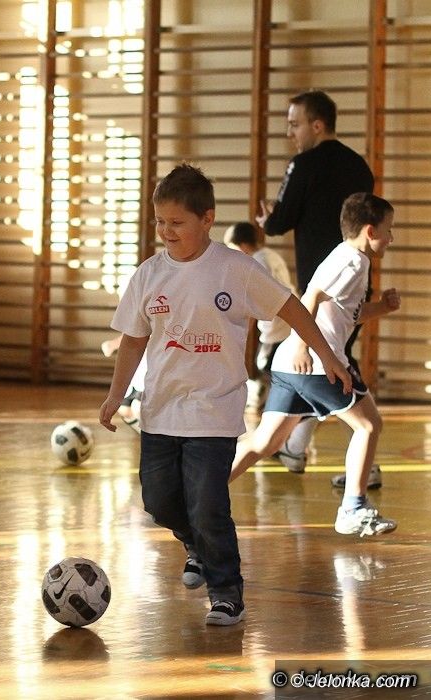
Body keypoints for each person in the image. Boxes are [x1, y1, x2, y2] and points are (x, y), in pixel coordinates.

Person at [99, 163, 351, 626]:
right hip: (160, 410)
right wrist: (116, 395)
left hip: (214, 410)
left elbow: (292, 308)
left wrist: (327, 356)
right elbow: (133, 340)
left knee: (208, 505)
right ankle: (194, 545)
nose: (166, 231)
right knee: (159, 502)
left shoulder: (235, 269)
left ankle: (226, 593)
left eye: (177, 222)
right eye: (160, 222)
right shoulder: (149, 275)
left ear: (207, 219)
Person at [230, 192, 400, 537]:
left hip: (291, 364)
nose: (391, 237)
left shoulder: (350, 259)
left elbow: (345, 314)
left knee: (265, 442)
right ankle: (353, 508)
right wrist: (303, 346)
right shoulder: (352, 261)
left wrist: (382, 307)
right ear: (370, 231)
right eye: (388, 229)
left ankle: (198, 494)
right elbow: (310, 297)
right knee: (368, 426)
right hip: (315, 364)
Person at [256, 89, 377, 487]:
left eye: (295, 124)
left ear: (318, 125)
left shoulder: (303, 164)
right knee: (332, 363)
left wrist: (268, 219)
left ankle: (363, 455)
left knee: (328, 366)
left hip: (322, 285)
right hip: (357, 281)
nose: (290, 133)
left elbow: (281, 220)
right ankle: (296, 446)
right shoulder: (359, 165)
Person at [223, 221, 297, 409]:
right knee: (273, 366)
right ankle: (274, 403)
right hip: (287, 322)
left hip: (276, 325)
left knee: (267, 366)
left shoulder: (255, 263)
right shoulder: (271, 255)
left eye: (233, 248)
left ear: (242, 245)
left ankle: (277, 406)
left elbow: (253, 300)